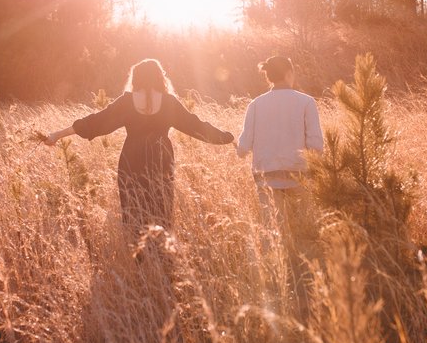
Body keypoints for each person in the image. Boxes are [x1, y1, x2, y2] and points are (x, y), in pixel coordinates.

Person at [35, 59, 234, 236]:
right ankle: (161, 258)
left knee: (133, 213)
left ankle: (138, 261)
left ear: (136, 78)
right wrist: (226, 137)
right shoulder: (168, 103)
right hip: (161, 159)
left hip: (131, 160)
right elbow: (196, 126)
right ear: (159, 77)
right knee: (161, 212)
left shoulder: (127, 102)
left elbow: (94, 123)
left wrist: (57, 135)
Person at [236, 55, 324, 314]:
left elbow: (243, 147)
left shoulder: (255, 105)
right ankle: (305, 284)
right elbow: (316, 145)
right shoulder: (307, 102)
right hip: (300, 176)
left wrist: (238, 146)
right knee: (303, 233)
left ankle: (276, 283)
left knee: (273, 232)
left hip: (266, 178)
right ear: (289, 72)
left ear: (268, 76)